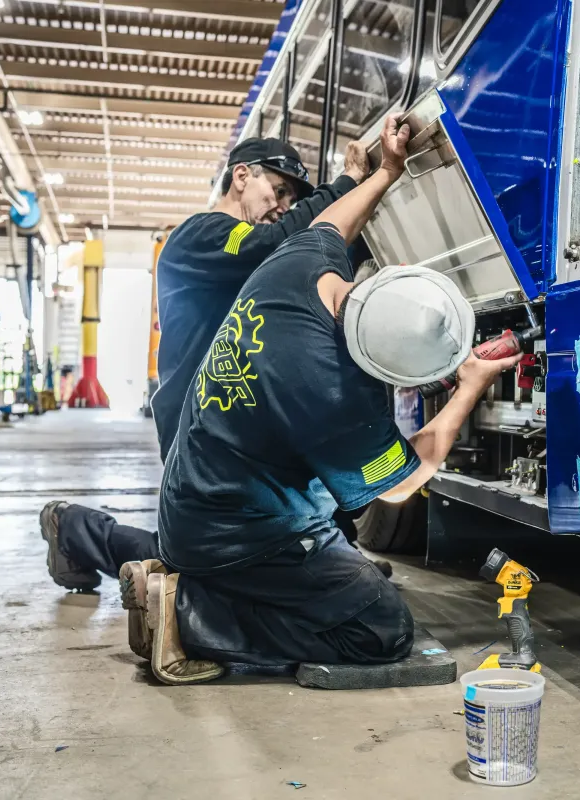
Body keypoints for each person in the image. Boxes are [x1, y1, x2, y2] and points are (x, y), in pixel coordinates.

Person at [119, 115, 522, 684]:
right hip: (235, 537)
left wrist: (385, 172)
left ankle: (203, 578)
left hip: (197, 500)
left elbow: (334, 219)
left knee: (349, 560)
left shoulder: (301, 264)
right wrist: (470, 391)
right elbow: (405, 483)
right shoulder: (336, 399)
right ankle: (192, 615)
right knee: (381, 627)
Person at [38, 132, 378, 592]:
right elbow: (278, 240)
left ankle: (331, 559)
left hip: (236, 414)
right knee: (211, 562)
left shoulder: (258, 253)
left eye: (289, 198)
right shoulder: (202, 235)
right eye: (276, 191)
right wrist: (350, 181)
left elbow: (317, 251)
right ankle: (77, 530)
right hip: (193, 420)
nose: (281, 205)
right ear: (241, 176)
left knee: (271, 534)